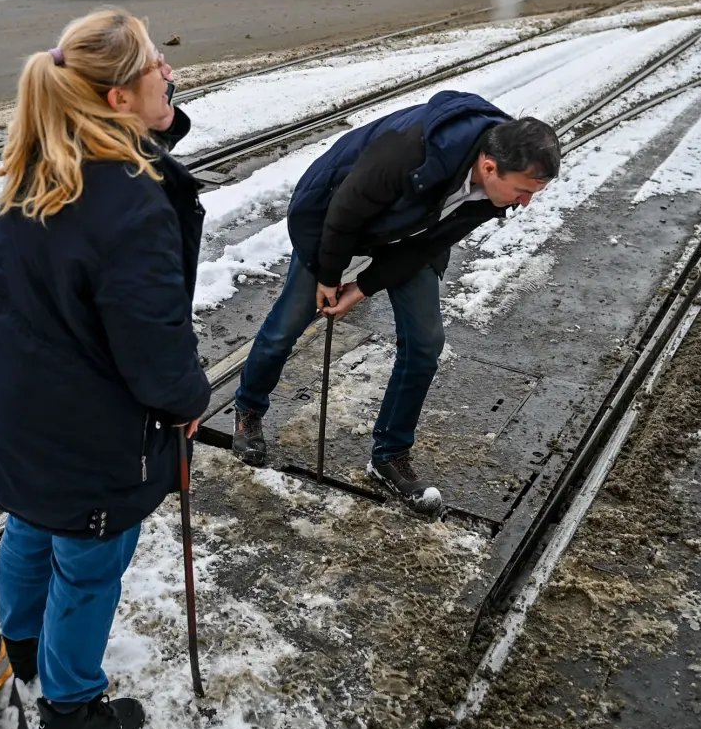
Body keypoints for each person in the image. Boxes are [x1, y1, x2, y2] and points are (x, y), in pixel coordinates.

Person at [0, 10, 209, 729]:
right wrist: (187, 400)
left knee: (31, 523)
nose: (169, 70)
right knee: (90, 563)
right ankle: (71, 707)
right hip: (84, 426)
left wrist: (157, 116)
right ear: (116, 99)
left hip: (15, 404)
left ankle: (22, 644)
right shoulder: (131, 205)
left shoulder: (50, 156)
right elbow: (154, 341)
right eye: (155, 64)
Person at [230, 91, 560, 513]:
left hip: (413, 235)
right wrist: (330, 276)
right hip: (332, 217)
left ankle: (390, 455)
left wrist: (364, 286)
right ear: (490, 167)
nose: (525, 202)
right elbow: (345, 210)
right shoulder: (410, 152)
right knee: (288, 324)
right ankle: (249, 409)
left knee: (425, 343)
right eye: (523, 191)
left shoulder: (495, 184)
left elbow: (430, 244)